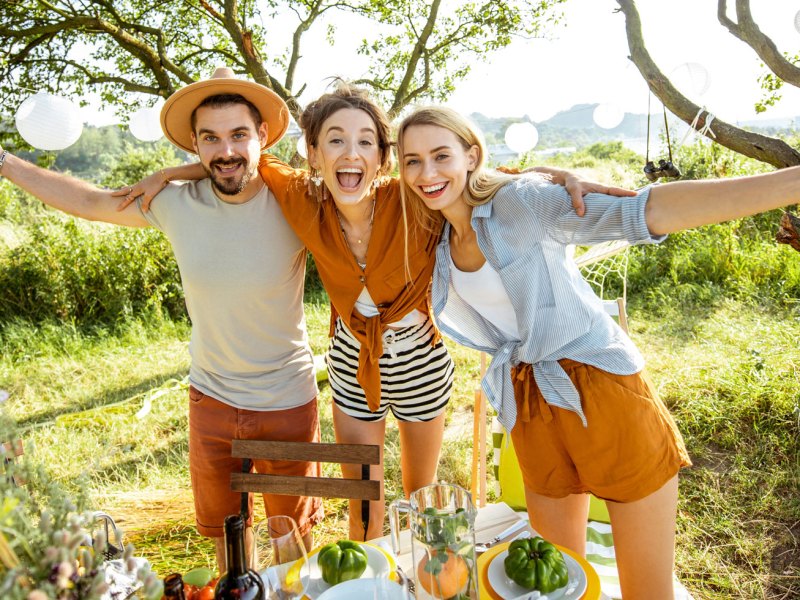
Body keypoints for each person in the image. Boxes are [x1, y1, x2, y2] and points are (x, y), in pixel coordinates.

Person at [120, 83, 634, 540]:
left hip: (421, 361)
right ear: (314, 153)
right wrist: (170, 172)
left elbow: (478, 177)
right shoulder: (302, 197)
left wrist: (557, 173)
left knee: (420, 492)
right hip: (351, 363)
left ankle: (423, 578)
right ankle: (369, 579)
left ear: (385, 156)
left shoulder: (412, 197)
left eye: (366, 141)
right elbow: (237, 159)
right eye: (336, 141)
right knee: (362, 495)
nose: (350, 153)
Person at [395, 105, 800, 600]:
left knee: (646, 592)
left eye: (441, 155)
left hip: (600, 387)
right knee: (555, 584)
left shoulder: (519, 203)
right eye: (412, 161)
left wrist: (792, 182)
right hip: (531, 401)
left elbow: (644, 211)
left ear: (471, 155)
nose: (427, 172)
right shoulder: (437, 240)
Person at [0, 68, 323, 571]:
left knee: (290, 544)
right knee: (228, 545)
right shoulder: (172, 203)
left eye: (239, 134)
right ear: (195, 144)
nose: (226, 151)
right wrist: (4, 163)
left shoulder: (295, 200)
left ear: (262, 135)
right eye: (211, 139)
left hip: (285, 401)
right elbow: (91, 202)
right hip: (211, 402)